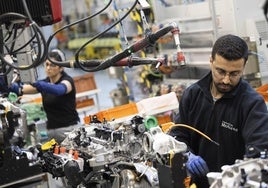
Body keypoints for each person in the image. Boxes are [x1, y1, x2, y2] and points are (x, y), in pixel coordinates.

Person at [169, 34, 268, 187]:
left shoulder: (252, 104)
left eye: (234, 74)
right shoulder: (193, 95)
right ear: (211, 62)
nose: (226, 80)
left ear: (243, 67)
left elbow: (259, 152)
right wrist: (187, 155)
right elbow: (178, 136)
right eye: (221, 71)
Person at [10, 49, 81, 143]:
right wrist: (8, 82)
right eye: (47, 64)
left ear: (61, 67)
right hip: (51, 131)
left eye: (52, 65)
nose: (48, 68)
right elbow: (20, 89)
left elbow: (58, 90)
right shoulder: (44, 83)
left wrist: (35, 82)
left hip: (69, 130)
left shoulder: (67, 81)